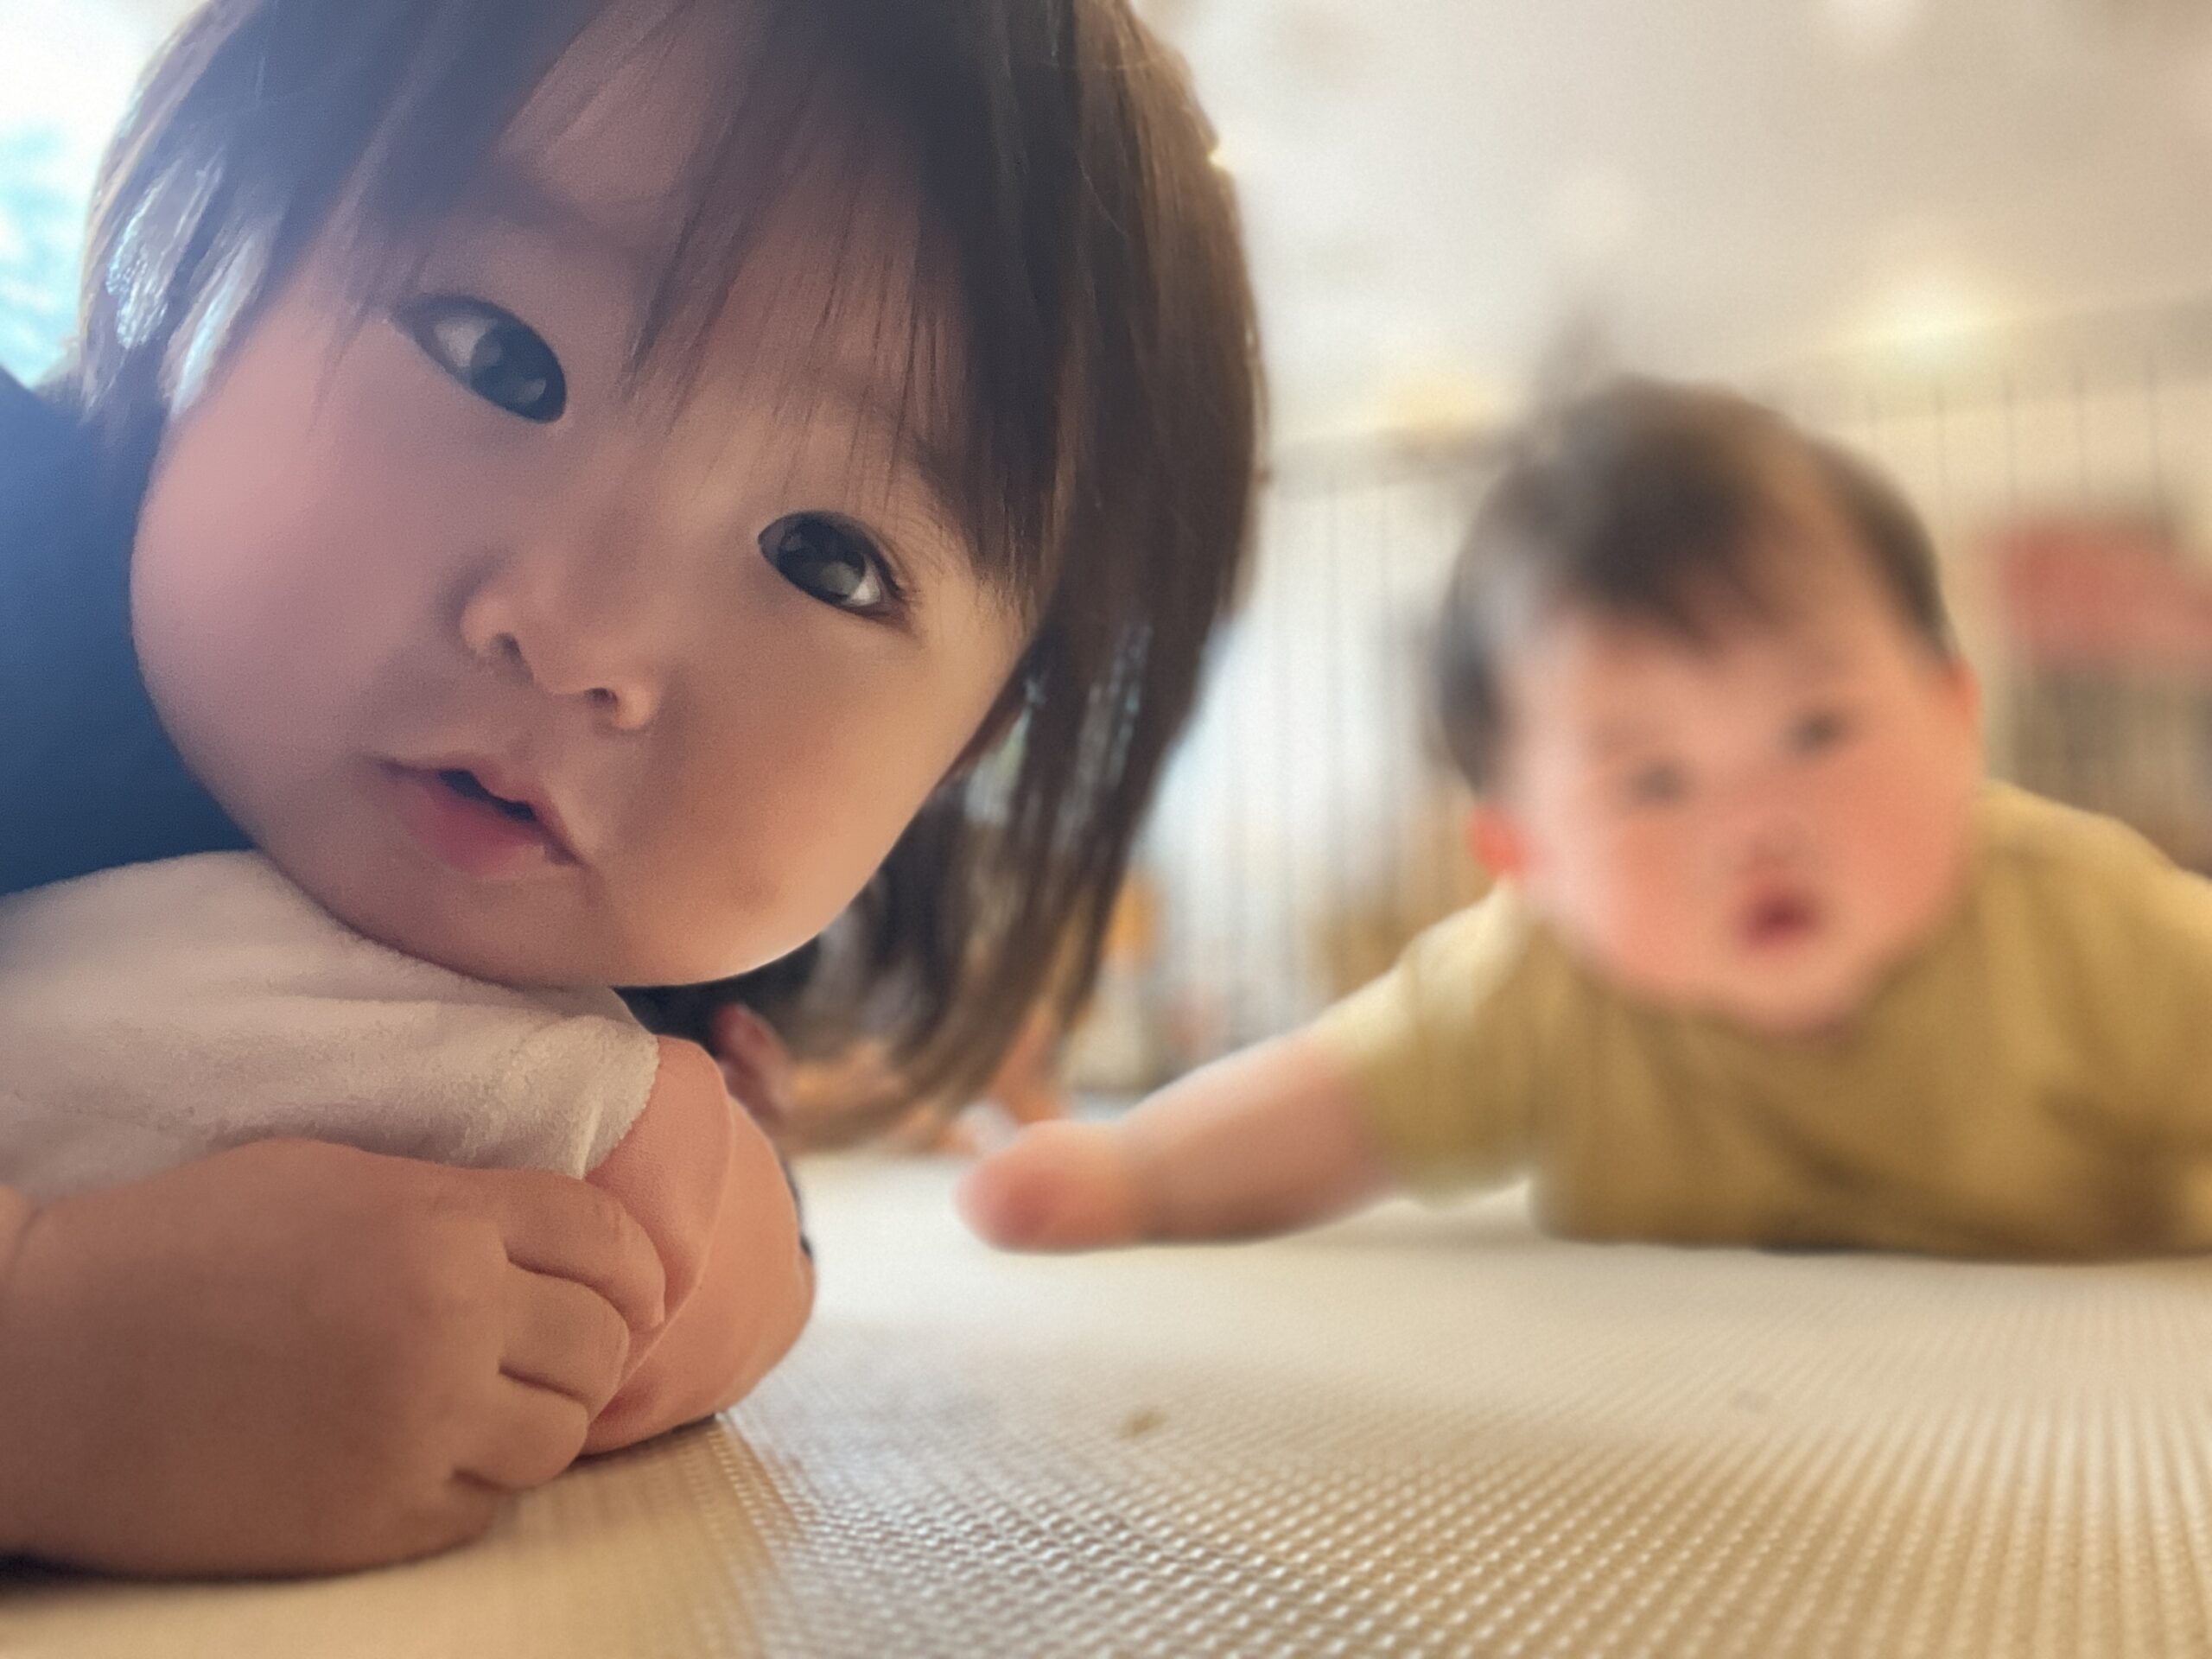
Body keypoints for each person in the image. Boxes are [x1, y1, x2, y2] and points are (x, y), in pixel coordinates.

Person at [0, 0, 1258, 1577]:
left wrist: (713, 1263)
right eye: (499, 355)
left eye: (827, 559)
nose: (578, 633)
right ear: (219, 254)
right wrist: (50, 1356)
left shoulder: (660, 958)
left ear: (965, 747)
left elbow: (722, 1183)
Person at [963, 378, 2212, 1261]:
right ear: (1527, 857)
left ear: (1956, 720)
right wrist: (1139, 1173)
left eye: (1817, 730)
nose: (1754, 826)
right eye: (1652, 783)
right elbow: (1337, 1100)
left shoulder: (2087, 927)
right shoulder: (1542, 983)